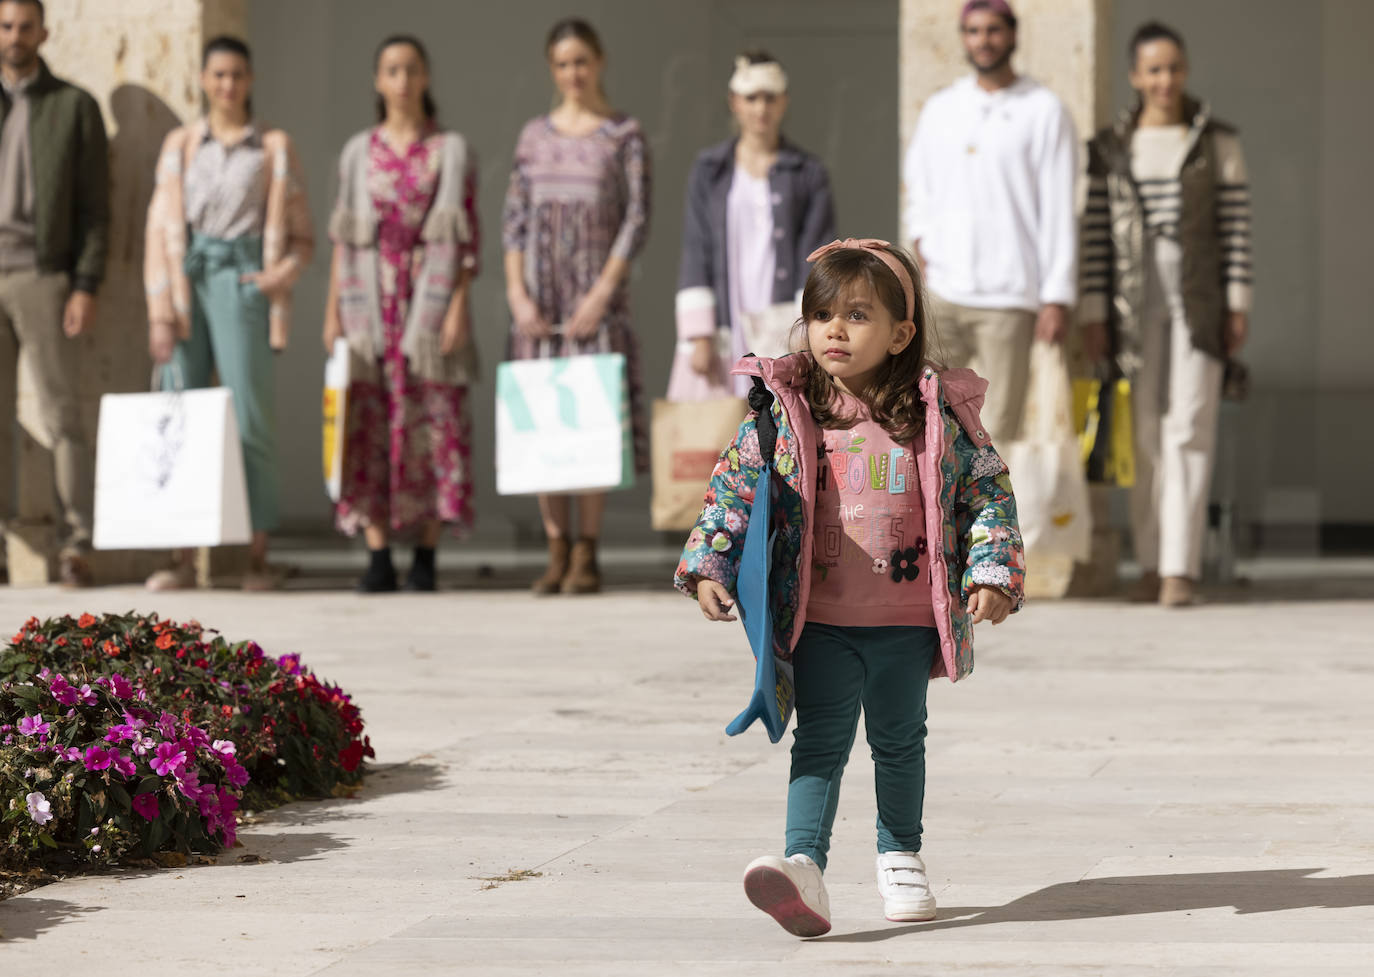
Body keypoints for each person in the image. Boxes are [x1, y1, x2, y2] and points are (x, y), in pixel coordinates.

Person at [675, 239, 1025, 935]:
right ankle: (802, 865)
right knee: (821, 742)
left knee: (899, 739)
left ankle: (900, 853)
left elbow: (986, 492)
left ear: (901, 333)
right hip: (821, 619)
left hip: (904, 617)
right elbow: (735, 486)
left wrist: (992, 571)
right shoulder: (786, 410)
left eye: (858, 315)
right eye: (822, 313)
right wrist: (709, 564)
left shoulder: (936, 414)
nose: (835, 328)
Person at [1079, 22, 1252, 608]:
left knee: (1191, 427)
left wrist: (1238, 303)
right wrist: (1095, 311)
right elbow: (1096, 236)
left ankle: (1181, 568)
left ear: (1186, 70)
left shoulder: (1216, 142)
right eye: (1153, 69)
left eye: (1173, 67)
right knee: (1146, 432)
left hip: (1199, 296)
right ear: (1135, 76)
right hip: (1133, 299)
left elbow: (1236, 229)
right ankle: (1151, 565)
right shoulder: (1109, 147)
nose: (1165, 79)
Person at [143, 35, 314, 592]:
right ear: (202, 79)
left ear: (250, 79)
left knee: (251, 418)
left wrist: (275, 278)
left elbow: (303, 237)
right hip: (188, 279)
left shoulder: (273, 147)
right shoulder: (182, 145)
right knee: (182, 415)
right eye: (218, 74)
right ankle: (183, 556)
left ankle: (257, 555)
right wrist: (159, 310)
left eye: (237, 74)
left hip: (242, 281)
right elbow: (157, 230)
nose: (228, 85)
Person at [324, 35, 480, 593]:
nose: (403, 80)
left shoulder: (451, 150)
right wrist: (332, 313)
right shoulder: (357, 152)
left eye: (412, 69)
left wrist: (459, 306)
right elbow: (344, 240)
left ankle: (426, 557)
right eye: (392, 70)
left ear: (426, 77)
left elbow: (467, 241)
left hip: (430, 306)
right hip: (369, 307)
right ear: (378, 80)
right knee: (367, 426)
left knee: (435, 425)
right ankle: (377, 554)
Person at [503, 17, 650, 595]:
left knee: (591, 423)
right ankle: (554, 549)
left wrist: (602, 294)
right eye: (562, 64)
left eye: (581, 62)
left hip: (595, 302)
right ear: (551, 68)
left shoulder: (623, 135)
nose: (573, 74)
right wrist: (517, 294)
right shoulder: (532, 137)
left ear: (600, 61)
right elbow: (512, 221)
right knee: (542, 422)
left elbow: (636, 220)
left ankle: (588, 550)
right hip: (540, 303)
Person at [901, 0, 1077, 445]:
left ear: (1013, 34)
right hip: (943, 292)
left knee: (996, 432)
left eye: (993, 30)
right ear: (964, 38)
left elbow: (1059, 205)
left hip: (1010, 294)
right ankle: (937, 517)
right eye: (974, 31)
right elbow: (918, 182)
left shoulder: (1044, 109)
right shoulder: (943, 107)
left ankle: (990, 517)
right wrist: (922, 242)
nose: (984, 40)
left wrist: (1055, 295)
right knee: (930, 420)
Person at [0, 0, 107, 587]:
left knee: (61, 410)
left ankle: (76, 542)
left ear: (45, 31)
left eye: (24, 26)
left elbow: (95, 210)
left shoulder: (74, 107)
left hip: (43, 277)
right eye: (5, 26)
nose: (15, 36)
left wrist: (85, 284)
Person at [668, 50, 835, 400]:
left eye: (770, 97)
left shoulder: (808, 172)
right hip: (726, 315)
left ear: (784, 101)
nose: (761, 108)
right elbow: (696, 249)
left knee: (781, 420)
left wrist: (808, 328)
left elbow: (817, 254)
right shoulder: (709, 170)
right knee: (719, 430)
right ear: (734, 102)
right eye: (751, 98)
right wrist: (698, 332)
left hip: (781, 317)